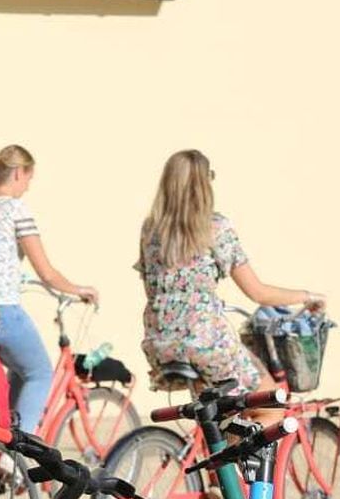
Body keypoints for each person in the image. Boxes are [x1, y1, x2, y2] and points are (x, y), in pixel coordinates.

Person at [136, 149, 325, 396]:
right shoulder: (214, 227)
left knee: (219, 412)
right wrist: (307, 296)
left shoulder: (151, 230)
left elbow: (153, 289)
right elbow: (258, 293)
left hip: (160, 344)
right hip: (206, 342)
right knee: (269, 402)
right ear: (204, 185)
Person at [0, 145, 98, 435]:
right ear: (18, 173)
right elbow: (46, 272)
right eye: (28, 180)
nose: (27, 188)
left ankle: (0, 439)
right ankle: (15, 452)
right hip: (0, 312)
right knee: (39, 372)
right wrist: (79, 289)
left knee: (19, 370)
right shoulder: (14, 208)